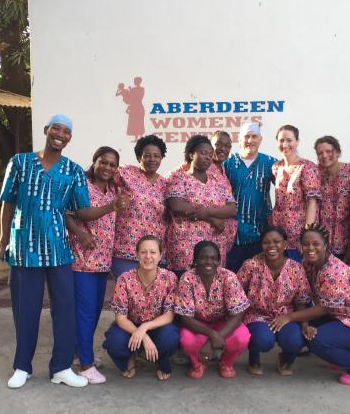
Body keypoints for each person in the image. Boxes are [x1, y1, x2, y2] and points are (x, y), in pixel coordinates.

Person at [0, 114, 97, 389]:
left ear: (69, 138)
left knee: (65, 308)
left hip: (57, 249)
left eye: (67, 131)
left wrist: (113, 206)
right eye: (57, 128)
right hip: (23, 248)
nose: (61, 134)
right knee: (25, 309)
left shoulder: (74, 171)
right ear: (46, 130)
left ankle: (62, 367)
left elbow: (81, 210)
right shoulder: (19, 162)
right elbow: (7, 202)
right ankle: (22, 367)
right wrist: (3, 238)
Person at [290, 224, 350, 386]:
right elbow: (303, 295)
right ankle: (341, 357)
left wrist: (289, 317)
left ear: (325, 245)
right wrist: (305, 323)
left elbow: (324, 308)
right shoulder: (308, 264)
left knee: (317, 340)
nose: (310, 248)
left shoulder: (334, 271)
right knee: (304, 330)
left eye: (316, 244)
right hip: (341, 318)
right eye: (306, 244)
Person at [65, 147, 128, 384]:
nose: (108, 168)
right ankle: (86, 365)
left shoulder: (112, 189)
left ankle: (79, 353)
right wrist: (80, 232)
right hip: (82, 260)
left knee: (92, 312)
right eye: (103, 162)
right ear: (94, 162)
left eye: (113, 165)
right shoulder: (82, 184)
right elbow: (67, 212)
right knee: (85, 313)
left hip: (102, 261)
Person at [103, 235, 180, 381]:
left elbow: (169, 315)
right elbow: (120, 318)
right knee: (115, 342)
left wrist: (144, 327)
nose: (148, 256)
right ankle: (129, 358)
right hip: (130, 325)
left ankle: (161, 360)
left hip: (157, 325)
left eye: (153, 252)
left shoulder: (169, 278)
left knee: (170, 338)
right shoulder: (125, 279)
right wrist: (142, 335)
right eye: (144, 252)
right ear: (137, 254)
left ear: (160, 255)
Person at [237, 226, 311, 376]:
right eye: (266, 242)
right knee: (263, 340)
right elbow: (237, 293)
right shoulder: (251, 265)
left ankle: (286, 359)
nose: (271, 246)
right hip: (257, 314)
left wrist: (304, 324)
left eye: (276, 241)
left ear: (285, 244)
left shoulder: (296, 269)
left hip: (285, 315)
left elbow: (301, 300)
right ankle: (254, 358)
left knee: (295, 341)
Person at [175, 241, 251, 379]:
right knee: (187, 339)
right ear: (195, 260)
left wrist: (213, 339)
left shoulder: (228, 277)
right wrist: (212, 334)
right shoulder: (187, 278)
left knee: (242, 337)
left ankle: (226, 363)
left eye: (213, 258)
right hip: (197, 324)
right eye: (203, 258)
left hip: (223, 323)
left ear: (219, 261)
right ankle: (198, 364)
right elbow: (185, 318)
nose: (208, 262)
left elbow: (238, 314)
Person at [166, 135, 237, 274]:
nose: (208, 157)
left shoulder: (217, 182)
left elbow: (232, 208)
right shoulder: (180, 178)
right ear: (191, 154)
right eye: (203, 153)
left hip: (214, 250)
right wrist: (211, 218)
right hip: (185, 250)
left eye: (210, 154)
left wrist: (208, 212)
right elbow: (176, 205)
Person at [223, 122, 278, 272]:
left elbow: (286, 187)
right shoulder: (228, 164)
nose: (250, 140)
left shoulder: (271, 163)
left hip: (260, 233)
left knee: (257, 276)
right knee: (232, 275)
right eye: (246, 136)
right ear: (239, 139)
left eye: (254, 136)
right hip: (233, 234)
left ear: (260, 139)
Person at [112, 135, 168, 278]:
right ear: (139, 157)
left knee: (150, 296)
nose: (152, 159)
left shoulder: (166, 184)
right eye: (147, 155)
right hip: (126, 249)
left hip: (153, 252)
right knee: (128, 293)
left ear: (162, 158)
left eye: (157, 156)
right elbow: (100, 178)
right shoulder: (125, 173)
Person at [269, 125, 321, 261]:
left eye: (289, 140)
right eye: (281, 140)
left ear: (297, 141)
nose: (285, 144)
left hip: (298, 238)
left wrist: (307, 236)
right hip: (279, 236)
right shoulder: (276, 167)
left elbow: (312, 203)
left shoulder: (307, 167)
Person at [314, 135, 350, 261]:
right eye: (320, 153)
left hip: (348, 241)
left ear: (337, 152)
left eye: (328, 151)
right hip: (323, 242)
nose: (324, 155)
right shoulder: (316, 174)